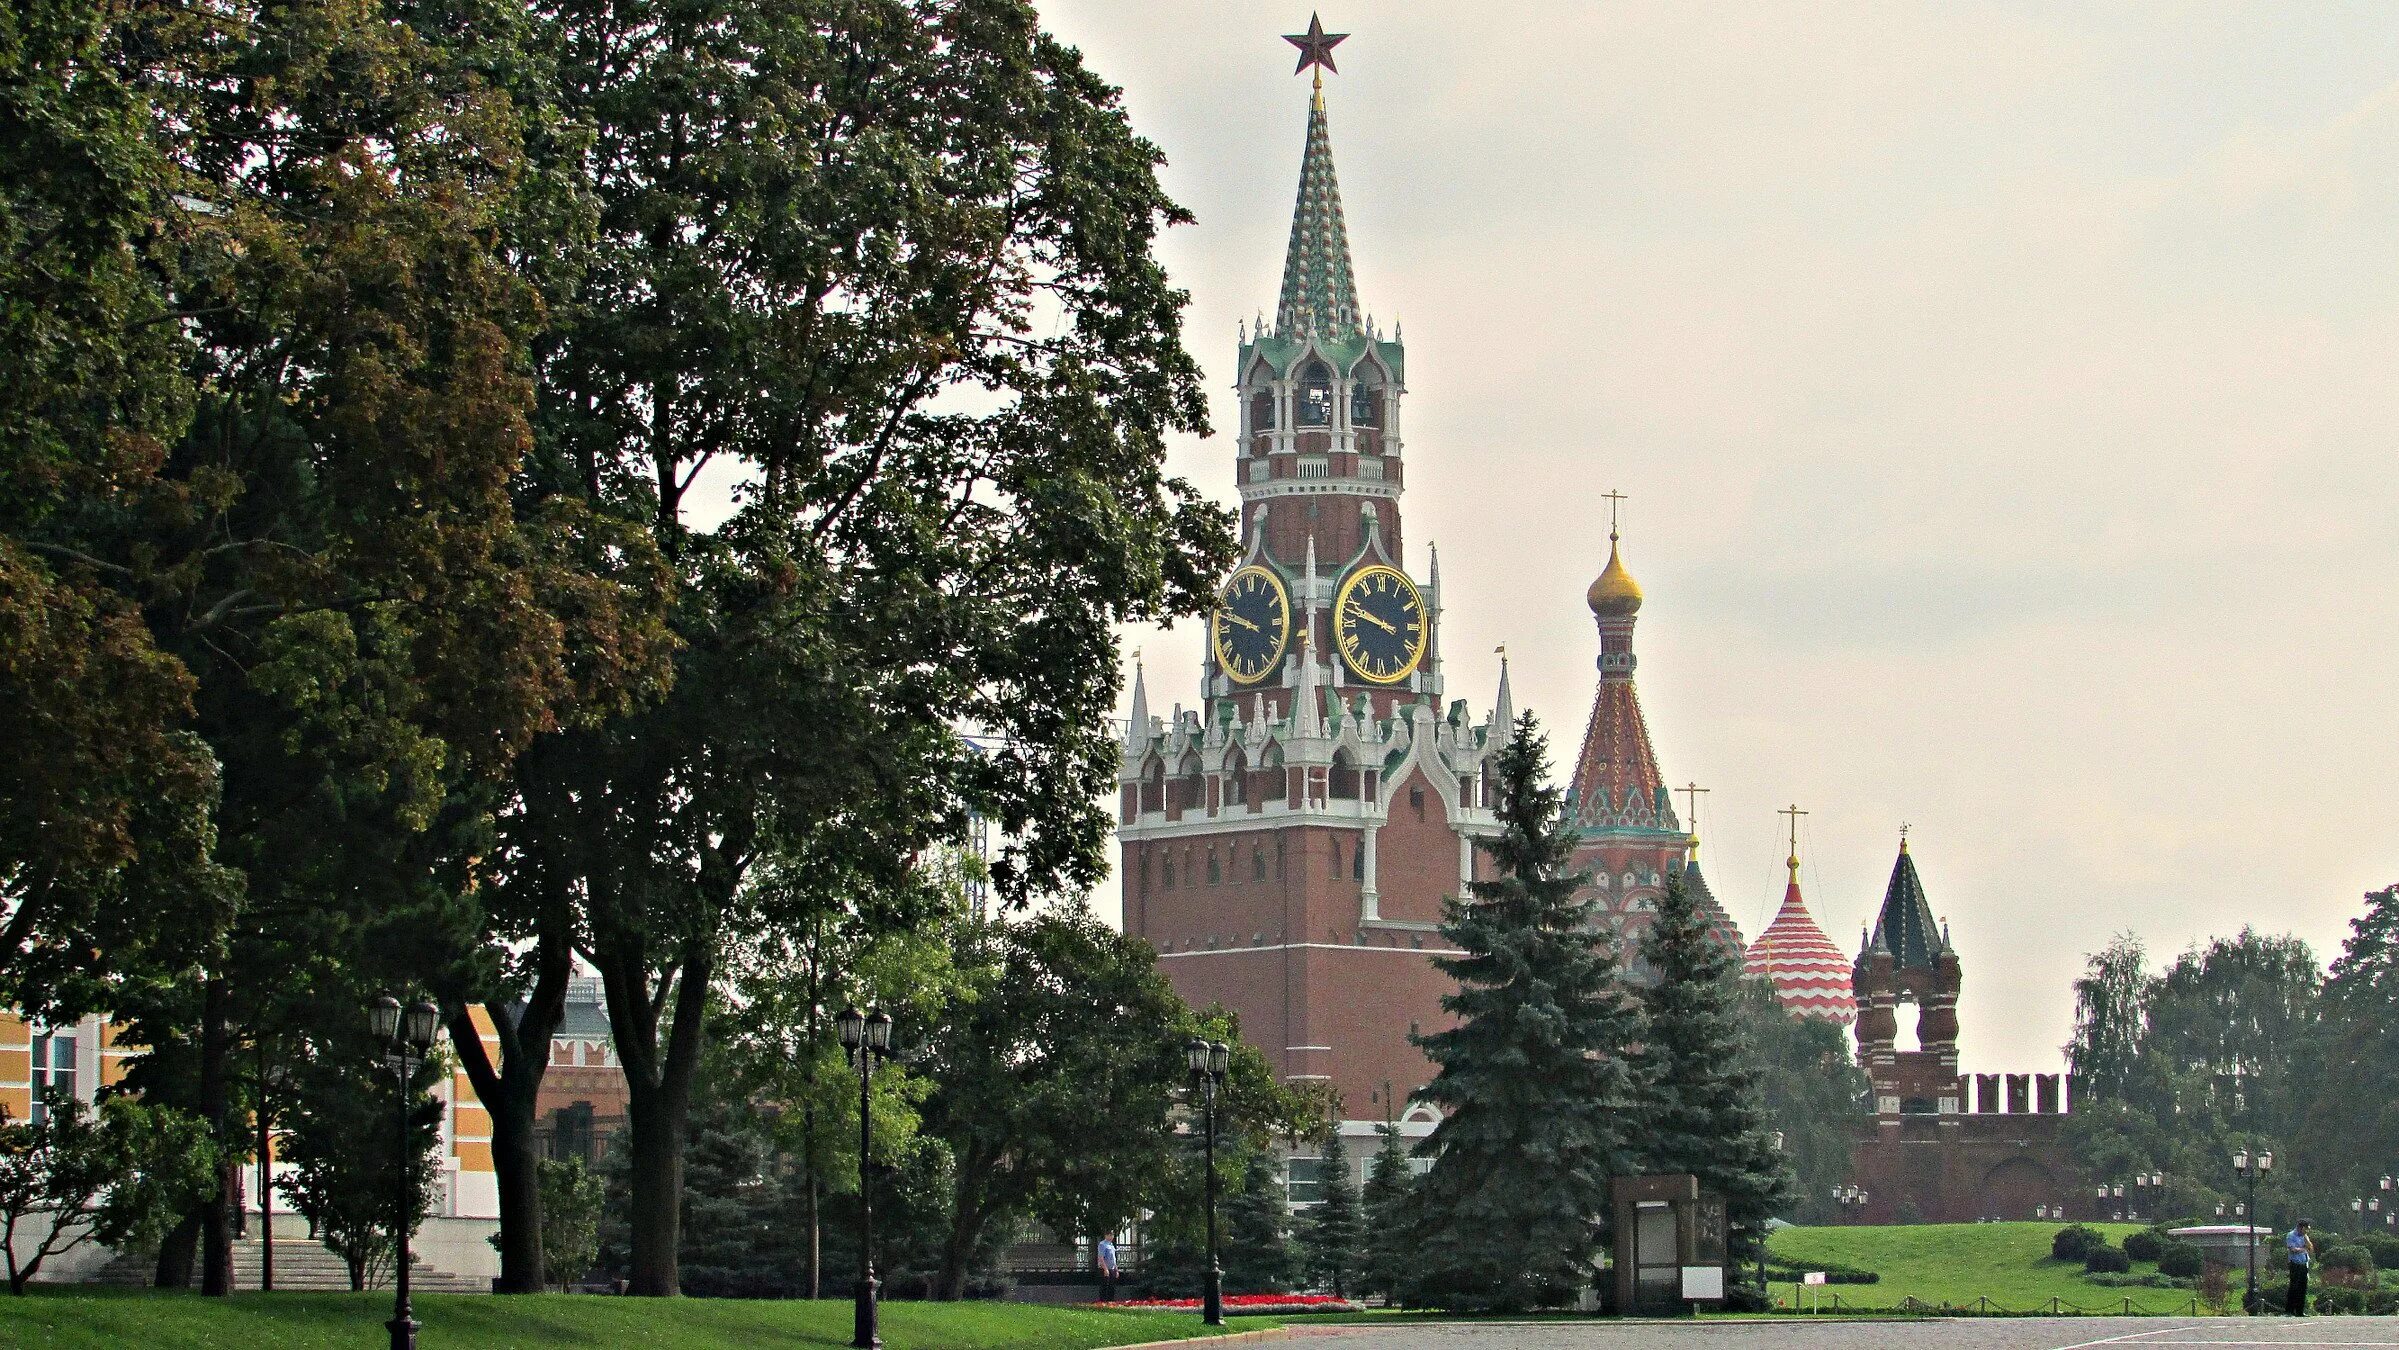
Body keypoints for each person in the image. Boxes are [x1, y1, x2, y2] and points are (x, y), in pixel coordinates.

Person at [2284, 1218, 2315, 1316]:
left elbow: (2310, 1248)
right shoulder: (2291, 1235)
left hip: (2303, 1264)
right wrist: (2303, 1249)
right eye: (2306, 1229)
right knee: (2294, 1287)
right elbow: (2292, 1249)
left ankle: (2300, 1311)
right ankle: (2289, 1310)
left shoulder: (2304, 1236)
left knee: (2303, 1288)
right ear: (2300, 1228)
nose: (2307, 1231)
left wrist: (2307, 1241)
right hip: (2295, 1264)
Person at [1096, 1233, 1119, 1302]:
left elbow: (1113, 1259)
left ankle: (1110, 1302)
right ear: (1106, 1235)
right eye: (1109, 1235)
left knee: (1111, 1287)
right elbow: (1101, 1258)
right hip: (1105, 1269)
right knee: (1104, 1286)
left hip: (1112, 1269)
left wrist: (1116, 1270)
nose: (1111, 1237)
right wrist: (1105, 1269)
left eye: (1112, 1235)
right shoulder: (1102, 1244)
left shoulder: (1111, 1245)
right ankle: (1103, 1302)